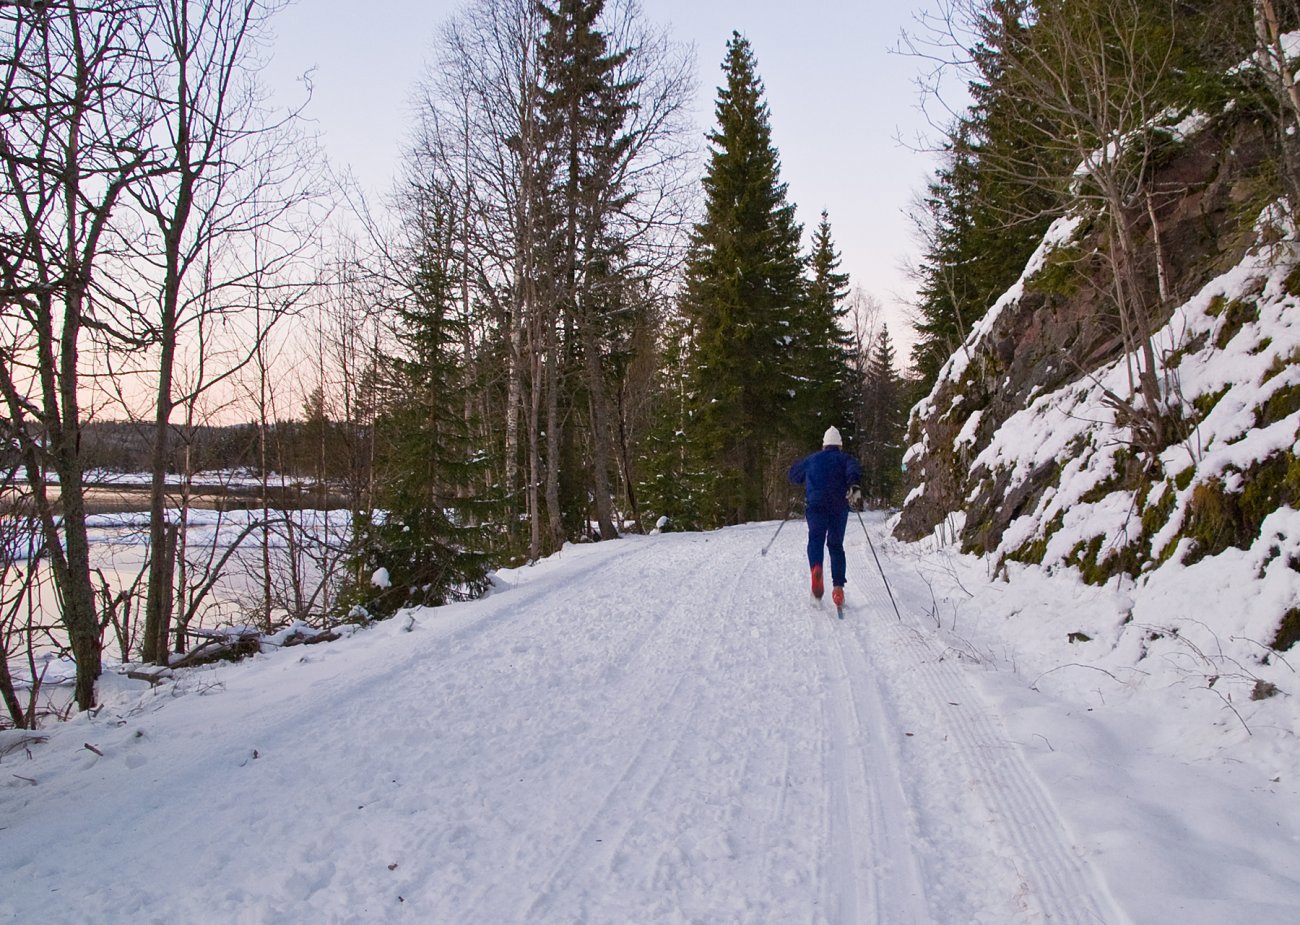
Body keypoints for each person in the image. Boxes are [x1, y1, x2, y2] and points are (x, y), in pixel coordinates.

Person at [787, 426, 863, 608]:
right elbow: (854, 472)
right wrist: (854, 489)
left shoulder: (812, 459)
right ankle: (838, 588)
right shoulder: (846, 459)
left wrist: (801, 468)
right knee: (836, 545)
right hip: (838, 507)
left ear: (824, 445)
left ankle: (816, 569)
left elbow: (794, 476)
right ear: (840, 445)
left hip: (816, 506)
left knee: (816, 540)